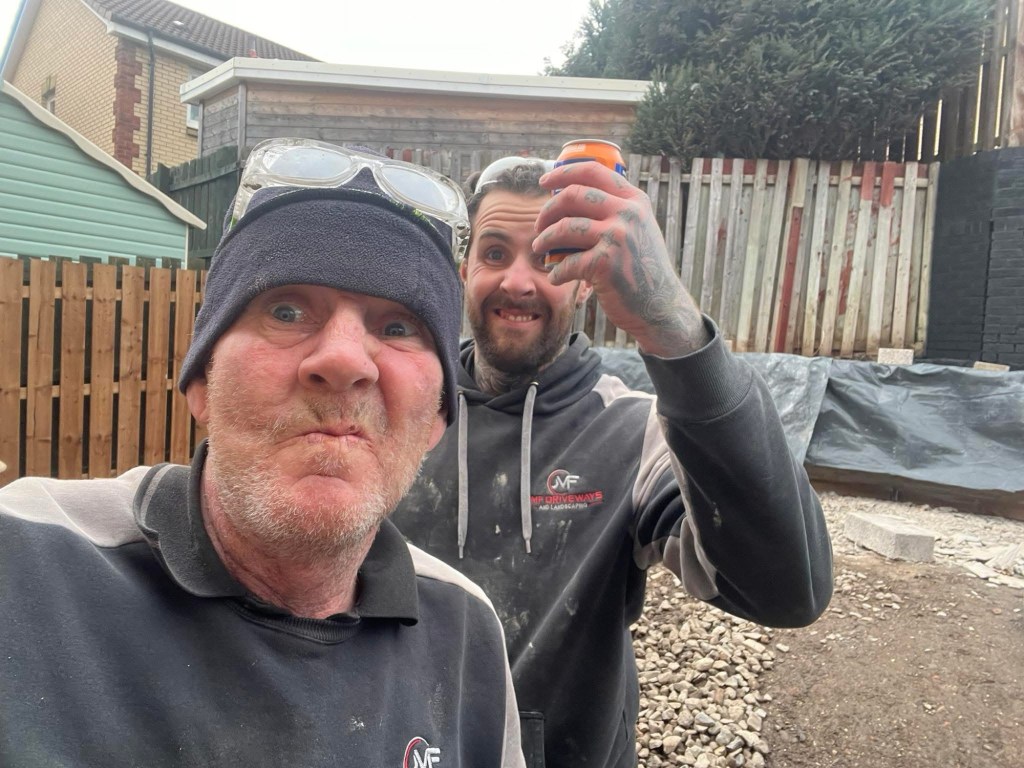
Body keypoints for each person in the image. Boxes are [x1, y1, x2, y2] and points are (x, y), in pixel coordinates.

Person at [0, 139, 525, 768]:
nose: (344, 360)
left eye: (397, 327)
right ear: (201, 380)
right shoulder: (24, 562)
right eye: (286, 310)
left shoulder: (466, 633)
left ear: (437, 417)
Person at [390, 157, 834, 768]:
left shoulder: (632, 432)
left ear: (583, 281)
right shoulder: (404, 418)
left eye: (547, 257)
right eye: (494, 253)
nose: (518, 282)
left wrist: (672, 326)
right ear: (464, 270)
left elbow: (786, 592)